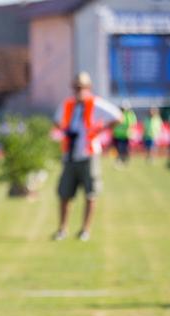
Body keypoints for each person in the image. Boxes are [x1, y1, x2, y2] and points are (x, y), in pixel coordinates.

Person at [52, 72, 122, 242]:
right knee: (64, 194)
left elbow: (117, 116)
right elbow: (57, 121)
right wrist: (65, 130)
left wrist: (99, 128)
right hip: (70, 155)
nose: (79, 90)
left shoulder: (96, 104)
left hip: (89, 154)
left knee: (91, 194)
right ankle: (62, 229)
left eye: (82, 87)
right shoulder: (68, 105)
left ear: (88, 88)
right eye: (76, 87)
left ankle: (85, 230)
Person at [112, 101, 137, 166]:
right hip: (117, 135)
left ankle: (124, 160)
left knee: (124, 148)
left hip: (125, 135)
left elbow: (132, 124)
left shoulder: (129, 114)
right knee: (118, 148)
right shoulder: (118, 113)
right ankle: (120, 159)